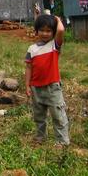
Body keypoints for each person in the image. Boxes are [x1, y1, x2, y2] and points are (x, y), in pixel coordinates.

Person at [25, 8, 70, 146]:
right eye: (42, 30)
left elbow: (61, 31)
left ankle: (62, 142)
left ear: (53, 32)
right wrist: (27, 85)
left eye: (49, 31)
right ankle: (40, 138)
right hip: (36, 88)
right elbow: (28, 68)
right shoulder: (31, 49)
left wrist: (56, 18)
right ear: (36, 31)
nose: (45, 33)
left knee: (58, 116)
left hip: (52, 88)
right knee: (39, 116)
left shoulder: (54, 46)